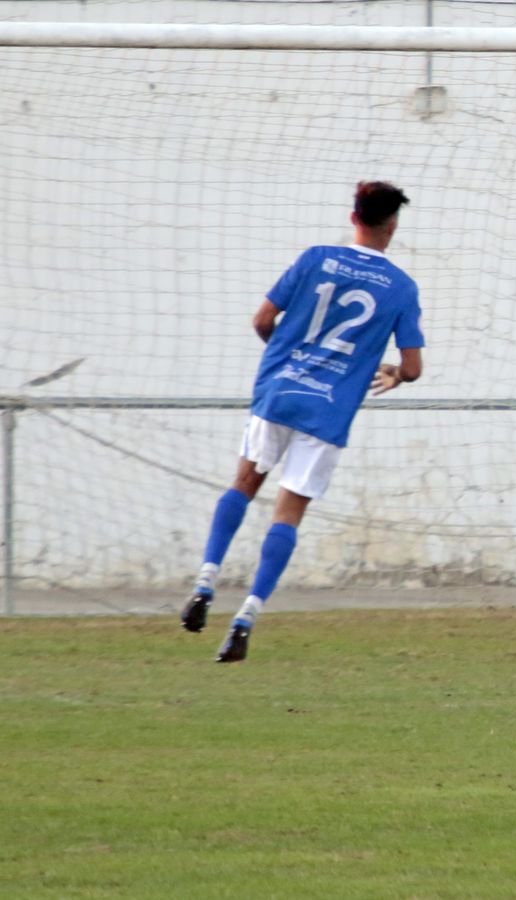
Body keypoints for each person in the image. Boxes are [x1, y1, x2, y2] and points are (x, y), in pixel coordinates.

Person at [179, 181, 425, 662]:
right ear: (391, 226)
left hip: (280, 391)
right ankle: (246, 616)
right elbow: (413, 368)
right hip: (329, 409)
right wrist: (394, 373)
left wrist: (286, 356)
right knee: (288, 512)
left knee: (245, 482)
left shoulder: (314, 258)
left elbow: (262, 319)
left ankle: (206, 580)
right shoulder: (402, 287)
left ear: (353, 217)